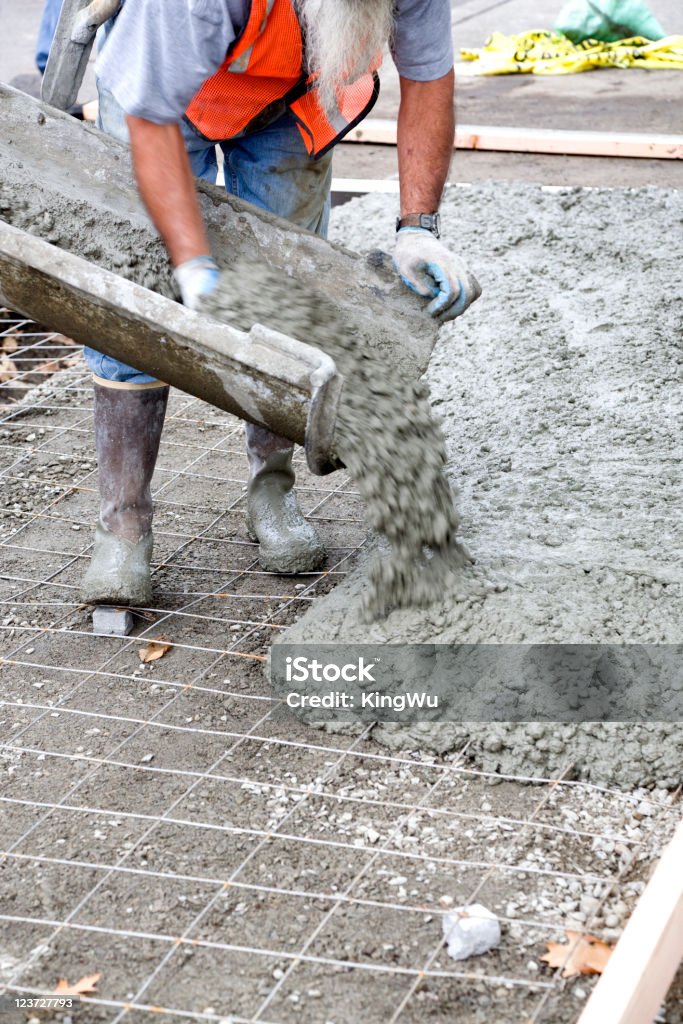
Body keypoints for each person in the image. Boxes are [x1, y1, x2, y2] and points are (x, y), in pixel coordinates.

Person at [80, 0, 482, 607]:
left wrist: (417, 226)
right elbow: (148, 116)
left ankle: (272, 489)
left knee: (288, 290)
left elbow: (428, 75)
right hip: (160, 86)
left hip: (292, 94)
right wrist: (193, 266)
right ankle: (123, 524)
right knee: (137, 287)